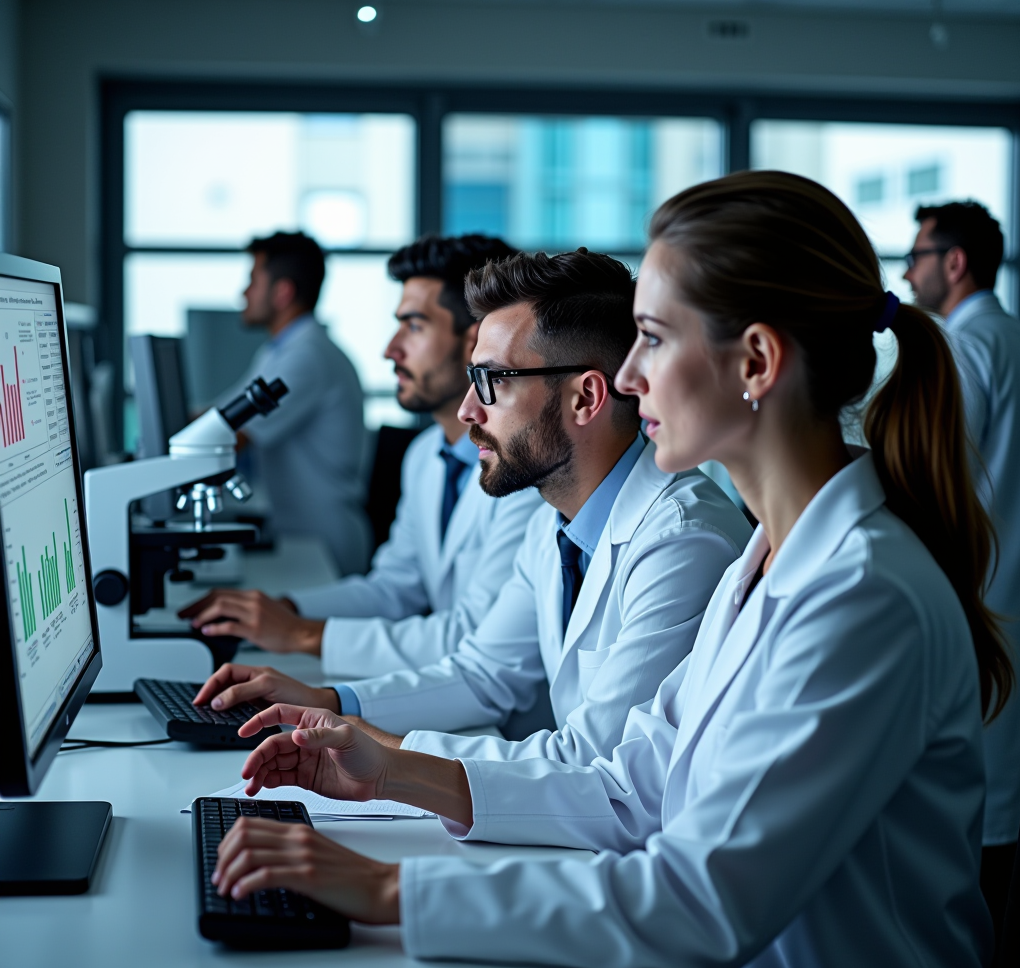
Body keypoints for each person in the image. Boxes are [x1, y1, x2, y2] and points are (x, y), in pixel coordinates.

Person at [212, 173, 1008, 968]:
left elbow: (701, 902)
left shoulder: (860, 596)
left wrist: (389, 890)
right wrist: (389, 768)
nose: (628, 375)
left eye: (653, 340)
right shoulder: (766, 561)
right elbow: (633, 785)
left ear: (756, 363)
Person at [197, 249, 752, 764]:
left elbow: (595, 762)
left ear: (585, 398)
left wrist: (385, 756)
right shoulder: (556, 522)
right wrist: (330, 703)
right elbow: (485, 673)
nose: (467, 411)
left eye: (491, 382)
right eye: (471, 380)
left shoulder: (681, 542)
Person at [181, 235, 540, 680]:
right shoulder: (425, 455)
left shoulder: (523, 471)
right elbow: (394, 590)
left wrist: (300, 634)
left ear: (476, 343)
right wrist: (282, 610)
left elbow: (475, 638)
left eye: (414, 326)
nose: (390, 349)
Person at [905, 200, 1020, 929]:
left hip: (972, 605)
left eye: (917, 256)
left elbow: (927, 482)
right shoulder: (1013, 337)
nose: (906, 274)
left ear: (954, 262)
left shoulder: (963, 348)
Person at [218, 231, 371, 575]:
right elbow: (220, 418)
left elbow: (230, 436)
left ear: (283, 292)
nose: (243, 293)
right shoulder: (277, 352)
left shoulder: (305, 359)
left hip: (324, 540)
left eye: (253, 281)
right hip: (298, 533)